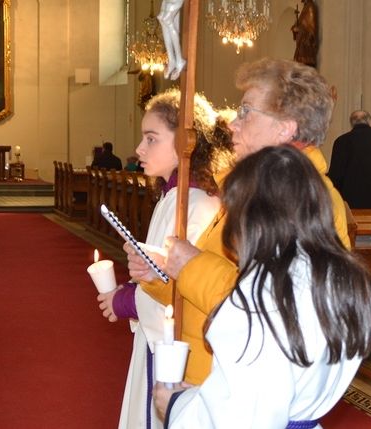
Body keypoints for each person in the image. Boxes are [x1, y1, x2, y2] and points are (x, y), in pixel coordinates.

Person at [127, 58, 351, 391]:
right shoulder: (254, 190)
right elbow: (222, 277)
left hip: (245, 385)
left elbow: (271, 307)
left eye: (246, 111)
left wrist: (190, 264)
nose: (233, 123)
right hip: (214, 370)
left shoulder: (298, 200)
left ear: (285, 127)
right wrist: (160, 274)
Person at [153, 145, 371, 428]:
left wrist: (176, 405)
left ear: (253, 219)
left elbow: (242, 419)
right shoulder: (338, 277)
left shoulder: (261, 297)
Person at [96, 89, 235, 429]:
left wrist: (126, 300)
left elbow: (179, 289)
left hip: (178, 352)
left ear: (186, 144)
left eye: (151, 139)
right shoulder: (173, 196)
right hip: (155, 342)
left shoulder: (195, 203)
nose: (139, 149)